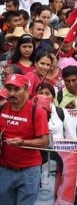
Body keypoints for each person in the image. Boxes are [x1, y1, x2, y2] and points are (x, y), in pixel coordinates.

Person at [0, 74, 50, 205]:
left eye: (17, 89)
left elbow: (44, 142)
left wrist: (22, 143)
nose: (11, 93)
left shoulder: (37, 111)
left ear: (27, 91)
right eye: (9, 89)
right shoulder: (2, 107)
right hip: (5, 169)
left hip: (29, 170)